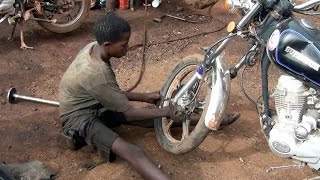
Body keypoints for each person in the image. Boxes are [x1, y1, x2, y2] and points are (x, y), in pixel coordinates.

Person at [59, 13, 239, 179]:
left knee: (150, 117)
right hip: (79, 119)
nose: (127, 49)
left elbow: (108, 93)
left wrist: (144, 97)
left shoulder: (93, 48)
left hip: (96, 103)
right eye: (123, 45)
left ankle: (208, 121)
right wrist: (167, 111)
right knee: (132, 151)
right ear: (107, 45)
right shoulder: (96, 73)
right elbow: (127, 112)